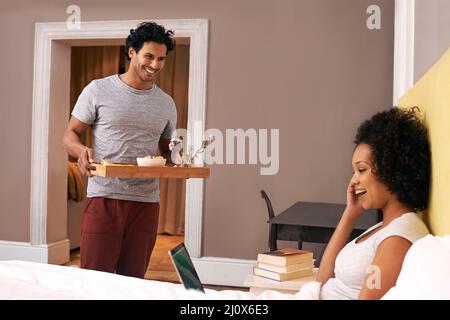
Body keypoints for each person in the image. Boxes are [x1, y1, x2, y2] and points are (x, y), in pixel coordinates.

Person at [63, 22, 177, 278]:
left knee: (133, 283)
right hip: (105, 198)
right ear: (132, 52)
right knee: (94, 281)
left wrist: (179, 153)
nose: (155, 65)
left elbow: (165, 150)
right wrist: (81, 150)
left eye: (162, 59)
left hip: (146, 203)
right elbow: (70, 134)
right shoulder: (97, 89)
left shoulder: (166, 103)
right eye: (149, 56)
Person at [316, 107, 431, 299]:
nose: (353, 181)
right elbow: (321, 281)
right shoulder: (384, 227)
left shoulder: (398, 237)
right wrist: (350, 214)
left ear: (391, 170)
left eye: (361, 170)